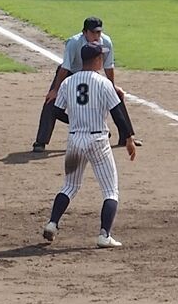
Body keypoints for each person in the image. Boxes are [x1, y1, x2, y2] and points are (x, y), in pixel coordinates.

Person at [42, 42, 136, 248]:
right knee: (110, 191)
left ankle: (52, 223)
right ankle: (104, 235)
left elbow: (56, 111)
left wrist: (74, 120)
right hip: (98, 141)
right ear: (97, 60)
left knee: (69, 186)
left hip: (75, 140)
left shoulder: (68, 83)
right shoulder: (104, 83)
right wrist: (128, 138)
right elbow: (118, 113)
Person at [32, 16, 142, 152]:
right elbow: (65, 67)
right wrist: (55, 89)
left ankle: (127, 136)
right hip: (70, 73)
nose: (96, 36)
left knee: (116, 96)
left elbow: (108, 66)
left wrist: (112, 86)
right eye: (93, 32)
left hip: (91, 72)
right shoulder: (74, 43)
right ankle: (41, 141)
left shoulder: (106, 42)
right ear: (84, 32)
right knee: (51, 102)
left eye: (99, 32)